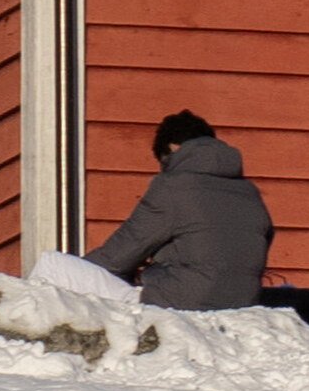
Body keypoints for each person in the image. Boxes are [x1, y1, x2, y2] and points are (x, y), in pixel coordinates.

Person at [91, 108, 278, 311]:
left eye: (164, 162)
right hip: (242, 303)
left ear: (172, 149)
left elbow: (115, 258)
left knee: (52, 265)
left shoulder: (174, 187)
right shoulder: (250, 193)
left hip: (178, 302)